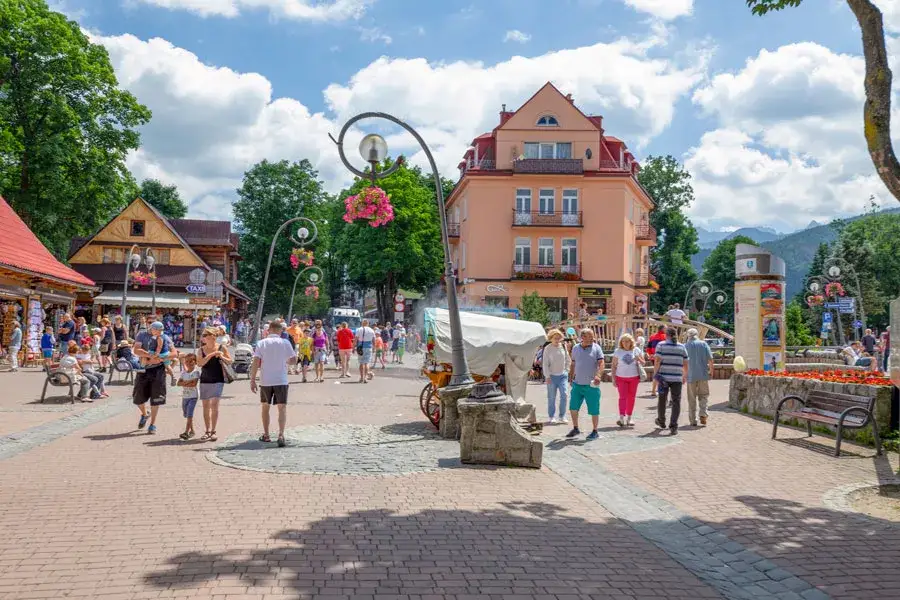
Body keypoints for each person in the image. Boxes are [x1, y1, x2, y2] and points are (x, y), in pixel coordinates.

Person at [250, 319, 297, 447]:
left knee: (265, 407)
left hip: (266, 380)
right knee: (282, 408)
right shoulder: (285, 342)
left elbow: (256, 362)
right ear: (280, 331)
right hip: (281, 379)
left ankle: (266, 434)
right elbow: (293, 360)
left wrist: (253, 379)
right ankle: (281, 434)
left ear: (268, 330)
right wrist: (284, 361)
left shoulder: (261, 343)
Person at [133, 322, 173, 434]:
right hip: (144, 369)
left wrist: (160, 357)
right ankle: (145, 414)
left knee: (156, 398)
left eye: (161, 329)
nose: (160, 331)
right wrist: (150, 356)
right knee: (138, 398)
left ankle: (152, 424)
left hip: (158, 370)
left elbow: (174, 353)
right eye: (158, 329)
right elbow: (136, 350)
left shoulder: (164, 337)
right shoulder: (142, 335)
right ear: (152, 328)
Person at [567, 328, 604, 440]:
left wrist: (598, 375)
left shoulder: (596, 348)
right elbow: (573, 363)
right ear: (582, 337)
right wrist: (570, 376)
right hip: (577, 383)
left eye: (592, 336)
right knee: (573, 407)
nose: (592, 338)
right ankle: (575, 428)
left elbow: (601, 363)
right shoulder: (575, 348)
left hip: (591, 385)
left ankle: (595, 431)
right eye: (589, 336)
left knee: (594, 409)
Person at [196, 327, 232, 441]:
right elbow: (200, 363)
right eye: (203, 336)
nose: (202, 338)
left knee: (215, 405)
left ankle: (213, 431)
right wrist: (211, 355)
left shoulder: (222, 347)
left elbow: (230, 361)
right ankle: (207, 430)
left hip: (218, 379)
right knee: (206, 406)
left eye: (204, 336)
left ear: (212, 337)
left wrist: (221, 356)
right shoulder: (200, 350)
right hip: (205, 379)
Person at [653, 327, 689, 434]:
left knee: (662, 400)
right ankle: (673, 426)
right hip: (677, 378)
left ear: (666, 335)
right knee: (676, 402)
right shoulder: (682, 346)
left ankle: (661, 420)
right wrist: (684, 375)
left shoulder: (661, 345)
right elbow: (686, 363)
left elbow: (657, 361)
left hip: (664, 377)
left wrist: (656, 374)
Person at [611, 333, 643, 428]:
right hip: (621, 378)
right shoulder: (618, 351)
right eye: (623, 341)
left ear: (631, 342)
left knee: (631, 398)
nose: (625, 343)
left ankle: (629, 418)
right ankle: (621, 417)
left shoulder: (636, 350)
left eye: (627, 341)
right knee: (622, 397)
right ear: (621, 342)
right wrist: (613, 378)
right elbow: (613, 365)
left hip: (634, 378)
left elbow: (643, 362)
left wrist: (638, 359)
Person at [684, 328, 714, 427]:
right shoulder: (704, 344)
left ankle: (693, 420)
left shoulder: (685, 346)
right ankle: (703, 415)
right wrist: (711, 372)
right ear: (697, 335)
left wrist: (683, 375)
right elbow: (710, 359)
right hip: (703, 374)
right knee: (704, 395)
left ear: (688, 336)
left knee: (691, 398)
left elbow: (683, 363)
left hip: (690, 375)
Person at [541, 329, 570, 424]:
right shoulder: (547, 348)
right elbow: (545, 363)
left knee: (564, 395)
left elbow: (567, 359)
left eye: (559, 338)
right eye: (555, 338)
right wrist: (547, 376)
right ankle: (551, 416)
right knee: (551, 397)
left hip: (562, 375)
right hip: (551, 376)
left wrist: (567, 370)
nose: (557, 340)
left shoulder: (563, 346)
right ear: (550, 338)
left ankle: (562, 416)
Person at [177, 353, 201, 440]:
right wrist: (188, 382)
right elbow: (178, 383)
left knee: (190, 414)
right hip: (185, 396)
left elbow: (193, 384)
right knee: (186, 414)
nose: (189, 363)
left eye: (191, 361)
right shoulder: (184, 373)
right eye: (187, 361)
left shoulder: (196, 372)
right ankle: (192, 431)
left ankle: (186, 432)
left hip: (193, 396)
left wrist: (185, 383)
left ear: (195, 362)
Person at [646, 325, 667, 397]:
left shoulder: (652, 336)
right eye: (666, 328)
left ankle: (654, 390)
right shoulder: (665, 336)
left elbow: (648, 347)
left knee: (656, 373)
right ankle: (658, 389)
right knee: (662, 373)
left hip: (653, 357)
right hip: (662, 357)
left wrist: (650, 355)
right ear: (663, 329)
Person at [355, 319, 377, 383]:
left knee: (361, 363)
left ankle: (361, 378)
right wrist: (374, 348)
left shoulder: (359, 329)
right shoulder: (371, 330)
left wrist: (353, 347)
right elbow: (374, 340)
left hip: (360, 347)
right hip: (369, 347)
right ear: (368, 323)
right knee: (367, 363)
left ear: (362, 323)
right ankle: (365, 378)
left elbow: (356, 339)